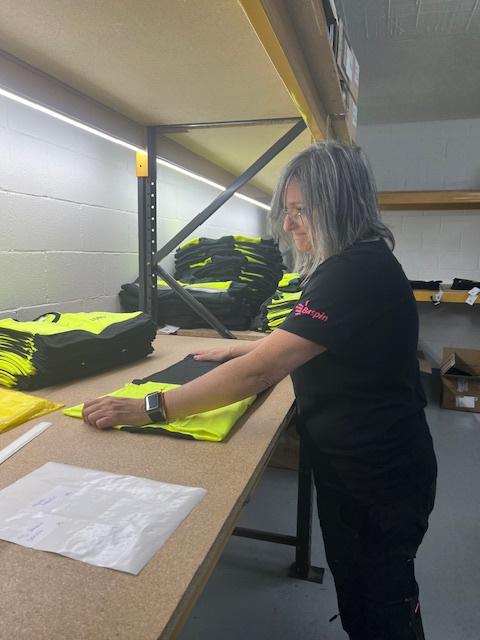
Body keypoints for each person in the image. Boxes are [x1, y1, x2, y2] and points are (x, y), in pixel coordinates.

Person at [83, 142, 437, 640]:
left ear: (339, 205)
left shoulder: (354, 271)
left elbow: (261, 374)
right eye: (286, 210)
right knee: (363, 598)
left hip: (377, 477)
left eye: (301, 210)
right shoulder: (354, 262)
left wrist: (151, 408)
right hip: (364, 465)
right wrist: (240, 349)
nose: (288, 224)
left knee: (382, 610)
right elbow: (308, 339)